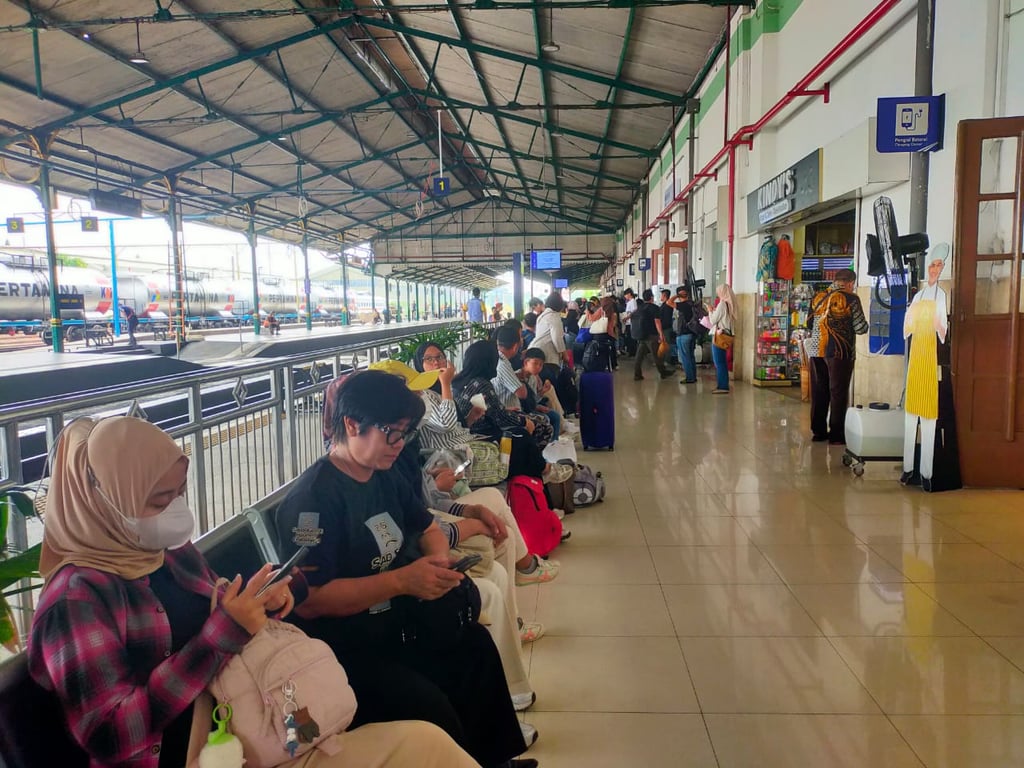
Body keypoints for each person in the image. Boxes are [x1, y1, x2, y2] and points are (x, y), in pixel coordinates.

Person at [28, 416, 479, 768]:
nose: (177, 513)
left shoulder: (167, 553)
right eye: (158, 501)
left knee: (423, 736)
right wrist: (222, 634)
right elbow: (110, 733)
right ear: (105, 505)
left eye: (179, 494)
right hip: (202, 752)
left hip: (257, 720)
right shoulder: (76, 600)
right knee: (421, 741)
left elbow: (223, 619)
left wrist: (267, 601)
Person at [275, 372, 535, 768]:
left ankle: (493, 760)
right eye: (390, 433)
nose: (398, 445)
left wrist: (437, 562)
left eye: (405, 434)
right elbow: (311, 601)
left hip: (400, 622)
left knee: (475, 649)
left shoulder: (385, 475)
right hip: (348, 647)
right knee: (425, 704)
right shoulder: (312, 502)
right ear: (350, 424)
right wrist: (400, 580)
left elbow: (426, 526)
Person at [452, 341, 573, 486]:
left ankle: (540, 468)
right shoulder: (482, 383)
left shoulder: (459, 381)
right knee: (533, 429)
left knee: (532, 423)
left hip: (475, 428)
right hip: (484, 432)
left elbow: (493, 410)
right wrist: (523, 422)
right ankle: (542, 469)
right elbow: (500, 418)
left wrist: (507, 411)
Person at [902, 253, 949, 491]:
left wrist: (937, 327)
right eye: (932, 264)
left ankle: (926, 473)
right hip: (916, 360)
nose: (934, 269)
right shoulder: (918, 296)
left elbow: (943, 330)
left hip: (930, 359)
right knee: (911, 418)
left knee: (929, 418)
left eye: (939, 265)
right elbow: (907, 324)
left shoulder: (941, 296)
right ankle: (908, 468)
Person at [809, 268, 868, 443]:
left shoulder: (819, 296)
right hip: (839, 351)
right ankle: (836, 435)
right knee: (838, 392)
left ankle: (818, 432)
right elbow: (860, 327)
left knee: (820, 390)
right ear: (851, 283)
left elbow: (809, 322)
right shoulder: (851, 298)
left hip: (817, 351)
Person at [631, 289, 672, 381]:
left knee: (639, 356)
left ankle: (637, 374)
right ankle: (663, 373)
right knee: (656, 355)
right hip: (652, 335)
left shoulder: (640, 307)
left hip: (642, 335)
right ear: (652, 298)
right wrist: (661, 334)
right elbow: (657, 322)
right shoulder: (655, 308)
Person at [529, 293, 568, 384]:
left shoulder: (542, 316)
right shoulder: (554, 316)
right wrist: (564, 354)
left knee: (539, 384)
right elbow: (557, 339)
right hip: (547, 356)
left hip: (535, 351)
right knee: (549, 384)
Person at [708, 283, 737, 394]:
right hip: (726, 335)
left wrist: (710, 311)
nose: (718, 294)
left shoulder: (722, 304)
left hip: (719, 337)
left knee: (719, 362)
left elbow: (713, 320)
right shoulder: (730, 305)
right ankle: (722, 385)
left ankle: (723, 386)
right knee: (722, 362)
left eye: (719, 292)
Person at [673, 286, 698, 384]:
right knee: (691, 356)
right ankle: (693, 376)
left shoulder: (683, 305)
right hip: (692, 333)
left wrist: (676, 295)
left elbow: (669, 302)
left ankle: (689, 378)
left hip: (684, 334)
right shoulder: (692, 304)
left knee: (685, 357)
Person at [658, 289, 677, 365]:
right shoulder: (664, 305)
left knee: (666, 344)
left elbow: (665, 319)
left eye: (662, 295)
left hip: (666, 328)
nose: (661, 297)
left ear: (665, 296)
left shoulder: (667, 306)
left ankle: (667, 361)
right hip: (664, 328)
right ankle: (664, 360)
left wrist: (661, 328)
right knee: (663, 344)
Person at [621, 288, 638, 357]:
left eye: (625, 295)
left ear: (629, 294)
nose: (625, 296)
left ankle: (632, 352)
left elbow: (634, 311)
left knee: (631, 338)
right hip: (628, 322)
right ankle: (630, 351)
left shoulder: (633, 301)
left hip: (631, 322)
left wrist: (627, 317)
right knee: (629, 337)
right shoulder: (629, 302)